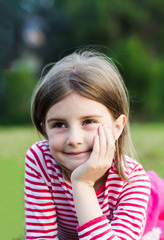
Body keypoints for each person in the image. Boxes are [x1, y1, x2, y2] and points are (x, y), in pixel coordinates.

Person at [24, 50, 164, 239]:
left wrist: (83, 184)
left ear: (117, 127)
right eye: (59, 124)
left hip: (148, 216)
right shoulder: (40, 160)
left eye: (88, 121)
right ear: (44, 129)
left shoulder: (132, 182)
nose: (74, 139)